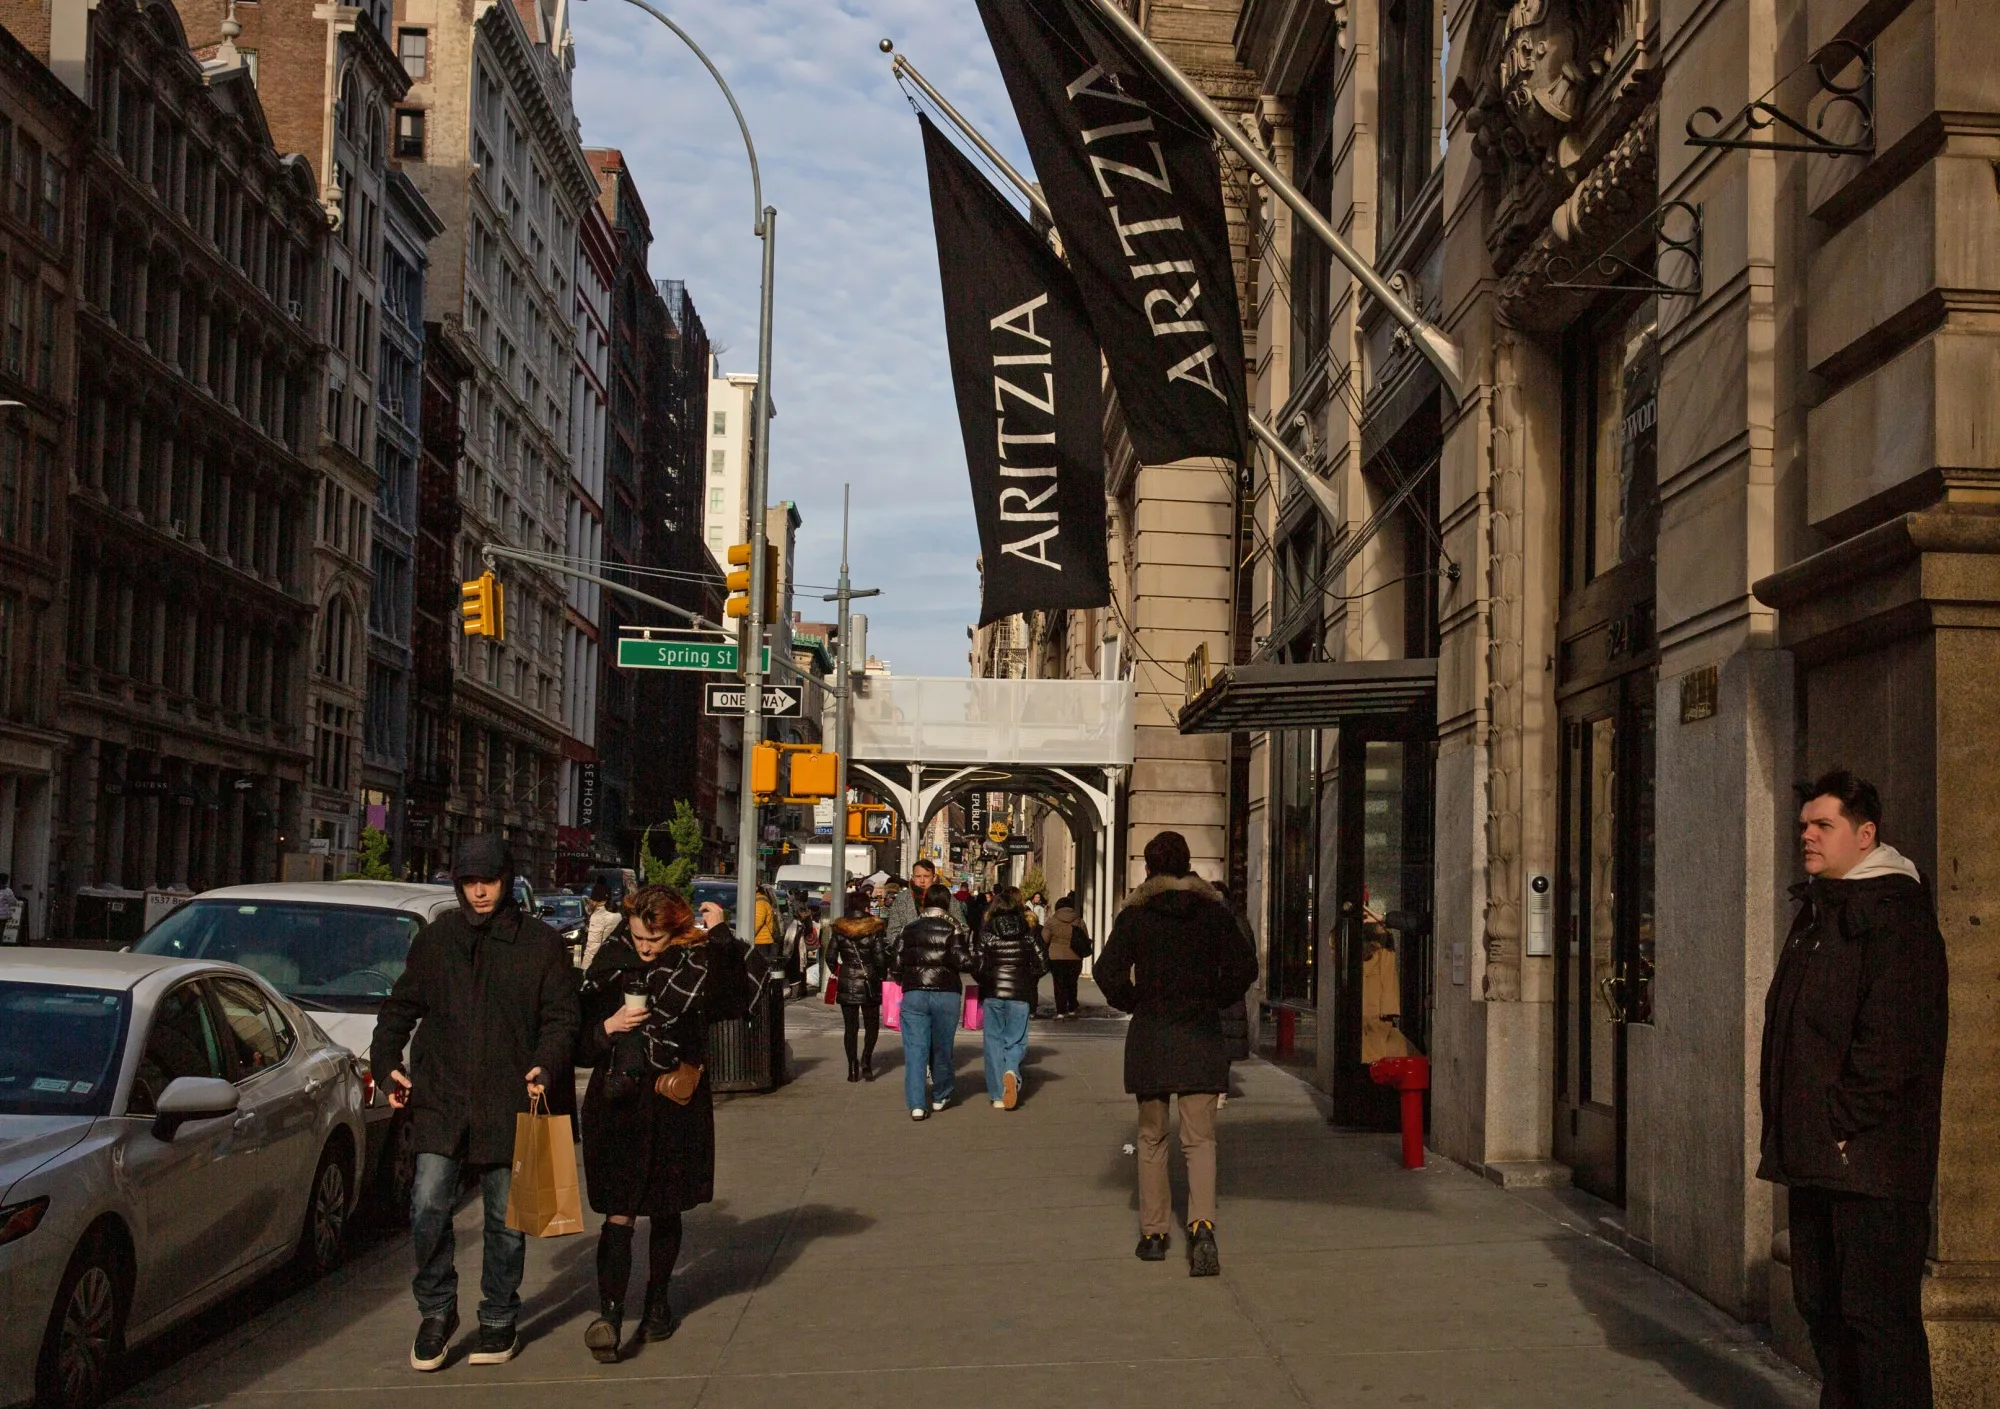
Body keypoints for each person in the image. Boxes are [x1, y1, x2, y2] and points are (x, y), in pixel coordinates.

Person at [1758, 769, 1948, 1409]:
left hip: (1871, 1164)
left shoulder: (1895, 917)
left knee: (1877, 1320)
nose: (1807, 836)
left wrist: (1840, 1124)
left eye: (1823, 825)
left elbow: (1894, 1045)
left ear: (1865, 835)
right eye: (1804, 826)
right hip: (1818, 1155)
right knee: (1822, 1307)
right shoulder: (1819, 912)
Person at [369, 833, 580, 1371]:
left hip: (512, 1099)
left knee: (506, 1222)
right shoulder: (437, 940)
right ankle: (437, 1311)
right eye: (469, 882)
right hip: (442, 1099)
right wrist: (386, 1063)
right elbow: (399, 1009)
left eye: (489, 881)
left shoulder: (541, 945)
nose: (480, 892)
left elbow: (562, 1018)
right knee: (427, 1205)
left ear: (506, 881)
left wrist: (546, 1064)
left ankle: (499, 1315)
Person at [575, 885, 762, 1362]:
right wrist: (609, 1027)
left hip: (673, 1101)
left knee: (666, 1207)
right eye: (638, 936)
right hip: (618, 1101)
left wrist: (720, 937)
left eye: (654, 939)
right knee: (618, 1211)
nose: (644, 947)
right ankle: (610, 1316)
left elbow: (738, 999)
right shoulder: (612, 961)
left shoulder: (697, 961)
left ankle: (657, 1303)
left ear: (675, 930)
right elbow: (578, 1038)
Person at [1096, 831, 1259, 1278]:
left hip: (1152, 1033)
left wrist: (1133, 1001)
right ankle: (1202, 1227)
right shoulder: (1213, 914)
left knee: (1151, 1137)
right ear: (1188, 866)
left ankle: (1153, 1234)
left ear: (1148, 869)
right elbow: (1245, 967)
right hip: (1200, 1033)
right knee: (1200, 1139)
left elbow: (1107, 971)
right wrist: (1215, 996)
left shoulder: (1136, 916)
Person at [893, 882, 973, 1120]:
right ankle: (940, 1095)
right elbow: (962, 961)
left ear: (924, 903)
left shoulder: (909, 928)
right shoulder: (954, 928)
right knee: (942, 1048)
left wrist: (902, 977)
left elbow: (896, 963)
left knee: (915, 1050)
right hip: (946, 992)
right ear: (947, 904)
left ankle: (917, 1104)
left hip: (914, 992)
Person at [970, 888, 1046, 1109]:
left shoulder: (986, 933)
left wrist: (987, 979)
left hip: (993, 993)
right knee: (1016, 1039)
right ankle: (1011, 1069)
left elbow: (977, 966)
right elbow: (1043, 963)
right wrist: (1026, 977)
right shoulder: (1028, 932)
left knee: (993, 1043)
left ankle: (997, 1095)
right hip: (1020, 994)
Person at [826, 887, 889, 1081]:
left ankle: (852, 1068)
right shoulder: (875, 928)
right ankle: (866, 1062)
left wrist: (839, 971)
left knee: (850, 1027)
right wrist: (880, 976)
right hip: (870, 980)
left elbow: (830, 956)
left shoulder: (840, 928)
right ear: (866, 907)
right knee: (872, 1025)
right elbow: (880, 959)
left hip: (847, 979)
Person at [885, 859, 965, 946]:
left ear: (934, 877)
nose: (922, 880)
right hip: (910, 950)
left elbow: (962, 927)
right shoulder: (902, 899)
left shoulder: (946, 897)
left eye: (926, 876)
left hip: (941, 949)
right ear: (912, 877)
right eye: (918, 876)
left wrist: (948, 947)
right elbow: (893, 931)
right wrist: (906, 948)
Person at [1045, 894, 1090, 1020]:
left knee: (1059, 984)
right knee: (1072, 983)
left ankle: (1060, 1011)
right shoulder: (1079, 921)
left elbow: (1045, 939)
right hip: (1075, 957)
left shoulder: (1051, 921)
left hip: (1056, 957)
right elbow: (1085, 938)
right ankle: (1072, 1010)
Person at [582, 882, 621, 970]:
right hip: (613, 961)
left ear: (596, 900)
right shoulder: (618, 914)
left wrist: (585, 968)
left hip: (599, 963)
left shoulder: (598, 917)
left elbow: (593, 947)